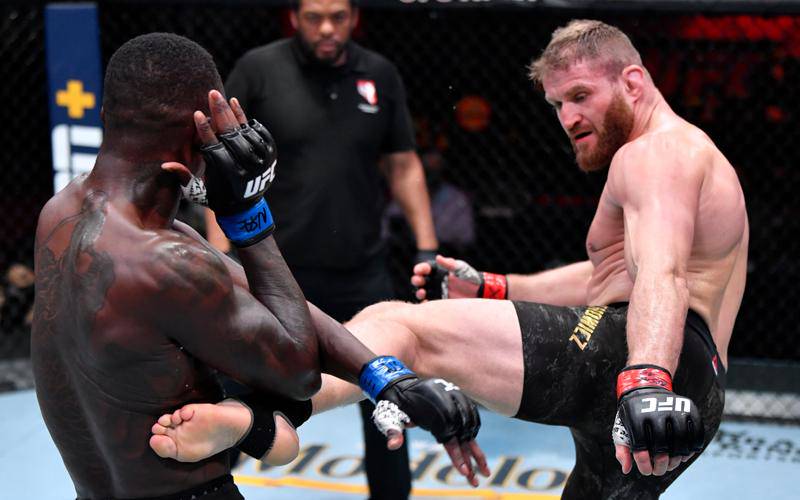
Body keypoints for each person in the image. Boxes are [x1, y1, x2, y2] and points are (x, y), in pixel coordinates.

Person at [150, 19, 748, 498]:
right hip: (692, 385)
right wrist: (496, 285)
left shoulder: (654, 153)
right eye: (557, 104)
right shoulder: (688, 155)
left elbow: (663, 273)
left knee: (402, 326)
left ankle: (262, 417)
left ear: (634, 82)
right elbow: (616, 274)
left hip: (646, 359)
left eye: (581, 96)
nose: (568, 118)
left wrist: (647, 378)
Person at [31, 32, 484, 500]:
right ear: (199, 142)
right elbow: (299, 372)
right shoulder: (167, 261)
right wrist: (249, 218)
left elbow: (259, 294)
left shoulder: (61, 214)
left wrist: (387, 379)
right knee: (272, 420)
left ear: (108, 116)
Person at [206, 1, 440, 497]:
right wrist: (218, 255)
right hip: (274, 275)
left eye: (338, 16)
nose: (328, 28)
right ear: (294, 17)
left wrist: (427, 246)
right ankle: (206, 489)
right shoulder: (259, 69)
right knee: (233, 397)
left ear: (355, 16)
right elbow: (219, 165)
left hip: (361, 271)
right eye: (315, 17)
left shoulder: (379, 74)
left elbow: (402, 164)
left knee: (385, 397)